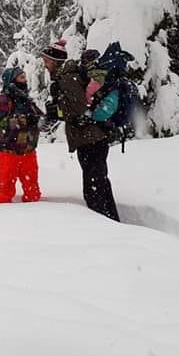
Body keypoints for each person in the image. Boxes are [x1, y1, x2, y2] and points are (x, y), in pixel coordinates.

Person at [42, 41, 120, 222]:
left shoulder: (67, 78)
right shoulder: (66, 76)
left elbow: (79, 108)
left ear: (55, 61)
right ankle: (111, 222)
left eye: (47, 61)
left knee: (94, 187)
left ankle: (107, 224)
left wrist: (57, 110)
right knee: (98, 183)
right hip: (90, 137)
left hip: (90, 138)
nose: (45, 65)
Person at [0, 67, 43, 204]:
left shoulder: (28, 100)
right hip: (7, 151)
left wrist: (41, 120)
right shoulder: (3, 100)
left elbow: (40, 119)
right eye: (21, 77)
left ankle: (36, 214)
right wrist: (23, 120)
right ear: (12, 81)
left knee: (33, 191)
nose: (25, 80)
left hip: (28, 150)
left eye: (25, 77)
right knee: (6, 190)